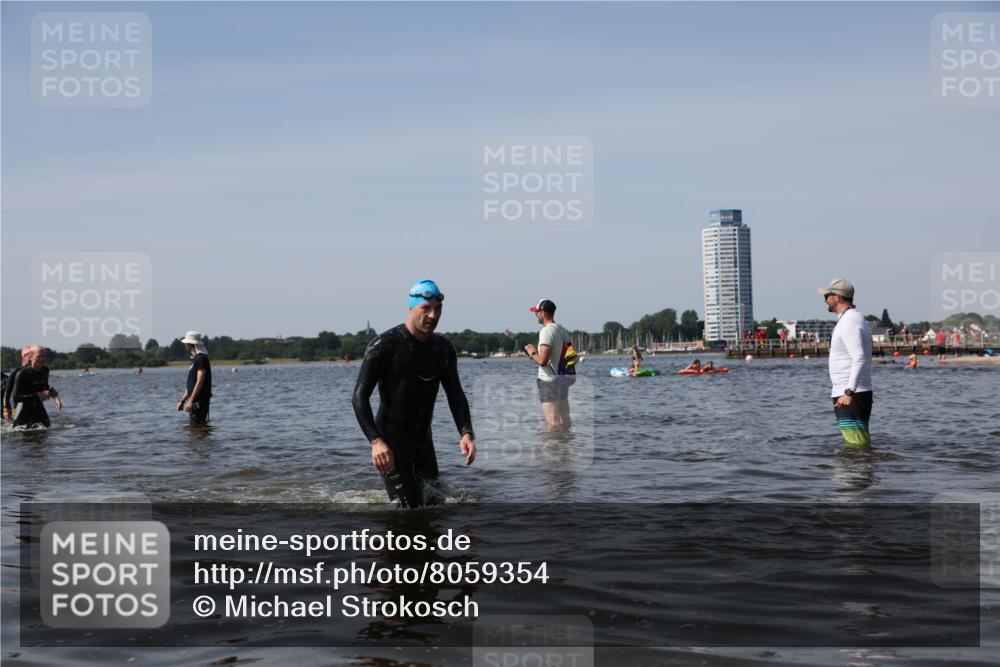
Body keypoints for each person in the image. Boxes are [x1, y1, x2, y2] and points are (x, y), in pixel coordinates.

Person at [352, 279, 476, 507]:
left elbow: (455, 393)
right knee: (411, 508)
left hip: (423, 442)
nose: (432, 315)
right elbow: (359, 397)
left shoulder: (443, 349)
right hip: (390, 443)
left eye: (437, 309)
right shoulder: (384, 346)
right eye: (425, 309)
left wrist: (466, 433)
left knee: (437, 504)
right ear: (411, 308)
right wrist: (376, 441)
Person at [818, 278, 873, 448]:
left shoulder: (849, 321)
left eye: (827, 295)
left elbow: (860, 357)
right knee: (857, 442)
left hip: (850, 394)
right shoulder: (852, 318)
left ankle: (858, 473)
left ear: (837, 297)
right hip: (851, 392)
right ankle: (860, 472)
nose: (824, 299)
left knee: (856, 445)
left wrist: (849, 392)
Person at [524, 299, 575, 431]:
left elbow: (542, 361)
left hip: (549, 381)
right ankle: (566, 448)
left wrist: (532, 352)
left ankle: (552, 451)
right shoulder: (563, 331)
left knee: (552, 423)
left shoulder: (546, 331)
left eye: (537, 312)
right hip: (563, 379)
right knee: (565, 420)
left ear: (543, 313)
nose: (535, 315)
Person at [10, 345, 61, 428]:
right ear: (31, 357)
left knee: (47, 426)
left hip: (36, 404)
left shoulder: (45, 370)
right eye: (38, 356)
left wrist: (56, 398)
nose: (42, 359)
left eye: (43, 356)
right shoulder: (22, 374)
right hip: (21, 408)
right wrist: (39, 395)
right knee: (20, 434)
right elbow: (16, 397)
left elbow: (46, 388)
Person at [176, 331, 212, 426]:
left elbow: (200, 381)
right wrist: (182, 401)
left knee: (196, 429)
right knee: (194, 431)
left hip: (199, 401)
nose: (185, 345)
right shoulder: (196, 359)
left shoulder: (201, 359)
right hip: (195, 401)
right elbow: (191, 384)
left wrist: (191, 401)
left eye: (186, 343)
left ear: (190, 344)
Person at [2, 346, 32, 422]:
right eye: (31, 355)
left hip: (31, 406)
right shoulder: (16, 371)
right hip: (18, 407)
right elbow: (7, 393)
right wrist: (5, 409)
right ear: (24, 357)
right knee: (16, 428)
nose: (33, 358)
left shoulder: (35, 372)